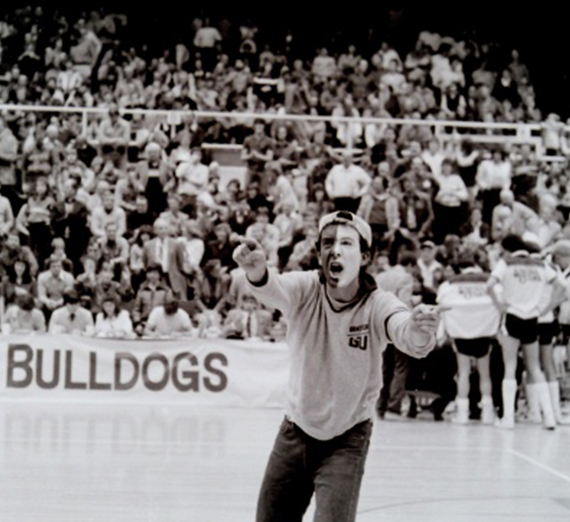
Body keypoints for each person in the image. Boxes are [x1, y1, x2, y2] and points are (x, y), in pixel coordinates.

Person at [232, 210, 443, 522]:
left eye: (347, 243)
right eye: (327, 243)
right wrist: (258, 272)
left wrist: (421, 328)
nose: (336, 250)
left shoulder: (378, 304)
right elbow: (274, 289)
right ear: (318, 254)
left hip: (347, 437)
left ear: (365, 256)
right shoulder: (305, 288)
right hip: (295, 431)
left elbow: (406, 333)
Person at [487, 235, 561, 430]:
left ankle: (508, 419)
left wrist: (499, 304)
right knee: (535, 367)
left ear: (508, 249)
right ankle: (550, 418)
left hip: (512, 315)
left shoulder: (506, 263)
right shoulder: (539, 265)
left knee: (510, 366)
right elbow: (561, 287)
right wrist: (547, 307)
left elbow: (489, 285)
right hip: (533, 317)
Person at [437, 254, 501, 424]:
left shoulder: (450, 284)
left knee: (463, 373)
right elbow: (500, 301)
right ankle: (488, 413)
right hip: (484, 332)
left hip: (461, 332)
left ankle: (462, 414)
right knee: (485, 375)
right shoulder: (488, 280)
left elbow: (441, 304)